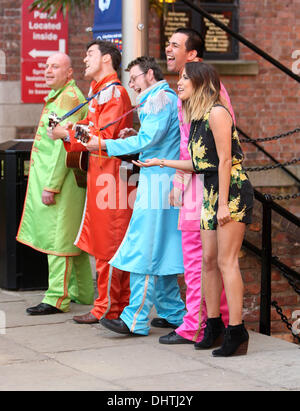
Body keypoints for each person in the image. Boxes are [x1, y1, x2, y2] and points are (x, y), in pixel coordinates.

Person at [135, 61, 254, 357]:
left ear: (201, 82)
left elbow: (226, 160)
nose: (179, 82)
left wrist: (224, 203)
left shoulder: (216, 112)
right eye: (180, 77)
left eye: (185, 77)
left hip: (231, 191)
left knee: (227, 262)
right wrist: (161, 162)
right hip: (210, 189)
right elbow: (200, 164)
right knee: (208, 261)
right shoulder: (196, 116)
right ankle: (212, 324)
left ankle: (236, 331)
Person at [97, 56, 186, 336]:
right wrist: (133, 134)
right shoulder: (164, 98)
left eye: (134, 78)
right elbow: (154, 139)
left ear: (149, 74)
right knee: (165, 249)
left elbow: (148, 141)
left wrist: (103, 143)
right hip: (164, 180)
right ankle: (175, 313)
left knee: (145, 248)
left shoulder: (158, 98)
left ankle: (134, 318)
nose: (132, 84)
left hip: (158, 182)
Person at [154, 27, 232, 345]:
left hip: (205, 186)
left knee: (199, 259)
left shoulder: (205, 92)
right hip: (198, 184)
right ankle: (217, 321)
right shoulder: (193, 90)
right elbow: (189, 144)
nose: (168, 48)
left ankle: (196, 326)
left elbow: (203, 148)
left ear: (193, 55)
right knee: (201, 259)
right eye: (168, 43)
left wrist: (180, 180)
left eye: (175, 45)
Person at [49, 40, 134, 324]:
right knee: (102, 244)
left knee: (108, 245)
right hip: (104, 176)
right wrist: (69, 130)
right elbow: (94, 134)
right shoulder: (101, 92)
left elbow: (104, 140)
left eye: (90, 54)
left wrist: (66, 134)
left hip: (113, 180)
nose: (85, 59)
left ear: (107, 59)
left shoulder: (113, 92)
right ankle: (108, 305)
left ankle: (108, 308)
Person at [17, 52, 94, 315]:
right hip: (67, 180)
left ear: (69, 72)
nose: (48, 70)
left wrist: (51, 185)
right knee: (72, 239)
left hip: (62, 181)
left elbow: (64, 146)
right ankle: (82, 293)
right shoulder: (62, 96)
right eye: (46, 66)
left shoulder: (67, 99)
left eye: (55, 66)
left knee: (57, 239)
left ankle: (55, 298)